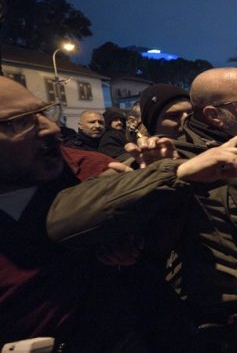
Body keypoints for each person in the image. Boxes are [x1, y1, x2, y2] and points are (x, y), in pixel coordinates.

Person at [47, 67, 237, 352]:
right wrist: (175, 173)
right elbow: (65, 218)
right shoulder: (176, 157)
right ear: (215, 115)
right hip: (235, 329)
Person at [0, 76, 190, 351]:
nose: (51, 129)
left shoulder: (94, 171)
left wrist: (152, 193)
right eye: (19, 122)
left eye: (43, 112)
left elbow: (162, 250)